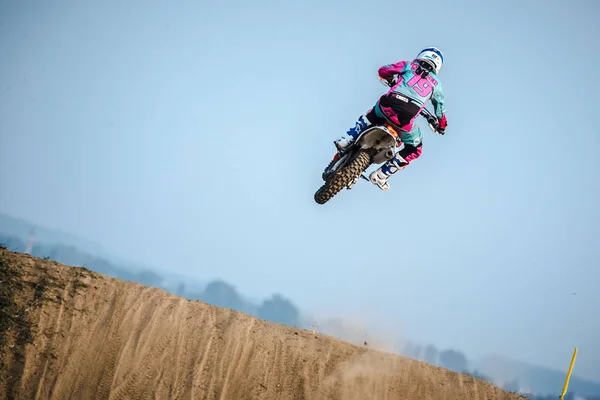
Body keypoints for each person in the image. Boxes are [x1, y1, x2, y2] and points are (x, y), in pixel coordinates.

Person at [333, 47, 448, 191]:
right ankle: (382, 175)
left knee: (371, 115)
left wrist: (390, 79)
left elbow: (383, 70)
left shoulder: (408, 65)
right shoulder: (436, 84)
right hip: (405, 120)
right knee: (415, 149)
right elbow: (440, 108)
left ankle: (347, 139)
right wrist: (441, 125)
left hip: (386, 106)